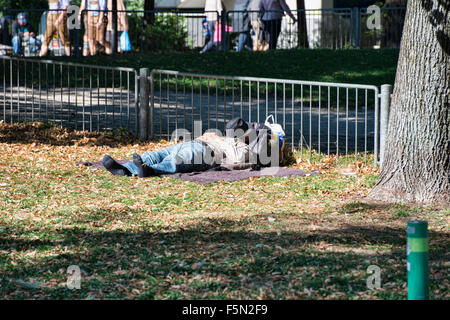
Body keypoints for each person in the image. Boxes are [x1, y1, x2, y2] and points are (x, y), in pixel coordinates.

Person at [102, 132, 254, 177]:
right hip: (189, 144)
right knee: (155, 155)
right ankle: (124, 168)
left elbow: (238, 158)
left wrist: (219, 139)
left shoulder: (243, 147)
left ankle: (148, 170)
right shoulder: (225, 137)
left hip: (205, 153)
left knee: (173, 161)